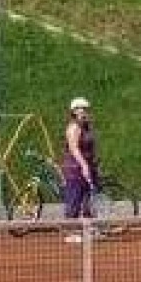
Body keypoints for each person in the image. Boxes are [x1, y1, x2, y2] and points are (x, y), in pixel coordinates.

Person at [61, 96, 98, 240]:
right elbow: (74, 149)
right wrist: (84, 166)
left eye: (85, 109)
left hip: (89, 167)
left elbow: (91, 147)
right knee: (74, 199)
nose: (83, 111)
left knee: (88, 199)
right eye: (79, 109)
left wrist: (93, 164)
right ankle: (70, 233)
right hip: (75, 169)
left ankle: (88, 229)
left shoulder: (87, 126)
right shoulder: (73, 128)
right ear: (74, 112)